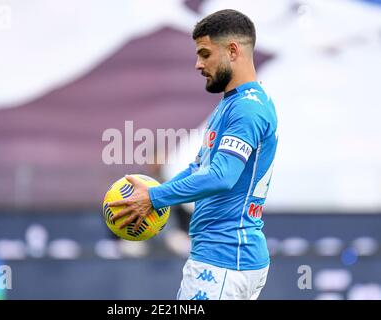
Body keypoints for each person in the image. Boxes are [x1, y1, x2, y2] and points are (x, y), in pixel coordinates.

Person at [109, 9, 278, 300]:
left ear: (233, 51)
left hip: (223, 260)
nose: (198, 64)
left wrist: (153, 198)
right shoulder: (232, 104)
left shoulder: (246, 108)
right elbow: (201, 167)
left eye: (204, 53)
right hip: (228, 257)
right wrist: (155, 195)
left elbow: (222, 176)